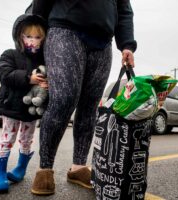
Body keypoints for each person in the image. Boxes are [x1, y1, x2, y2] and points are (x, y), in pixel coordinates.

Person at [30, 0, 137, 195]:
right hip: (64, 30)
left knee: (90, 107)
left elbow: (124, 10)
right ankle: (44, 169)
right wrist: (35, 30)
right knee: (63, 99)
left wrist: (127, 45)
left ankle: (78, 167)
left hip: (103, 42)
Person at [0, 14, 48, 193]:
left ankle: (21, 168)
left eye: (38, 37)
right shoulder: (10, 54)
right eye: (28, 36)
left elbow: (50, 80)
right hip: (11, 106)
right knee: (7, 138)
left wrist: (48, 83)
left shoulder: (45, 61)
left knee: (26, 140)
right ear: (20, 37)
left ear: (44, 39)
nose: (33, 41)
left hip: (30, 110)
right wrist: (28, 78)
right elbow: (4, 73)